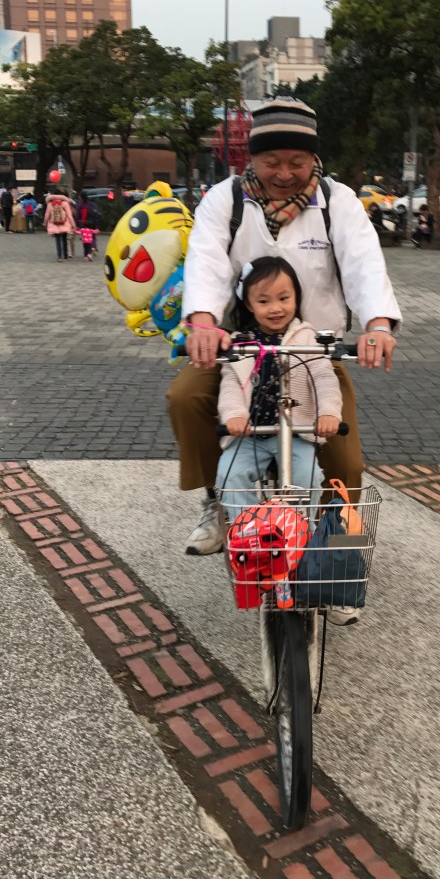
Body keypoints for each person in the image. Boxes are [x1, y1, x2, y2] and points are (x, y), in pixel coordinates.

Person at [167, 97, 401, 576]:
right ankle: (217, 499)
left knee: (345, 462)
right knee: (185, 397)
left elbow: (364, 263)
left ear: (314, 157)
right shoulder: (225, 199)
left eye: (297, 161)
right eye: (271, 161)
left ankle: (340, 565)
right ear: (251, 158)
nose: (284, 173)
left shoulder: (338, 201)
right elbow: (206, 262)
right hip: (240, 352)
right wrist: (204, 322)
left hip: (313, 352)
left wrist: (378, 325)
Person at [217, 256, 342, 523]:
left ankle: (300, 530)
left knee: (307, 476)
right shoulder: (242, 343)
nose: (275, 308)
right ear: (249, 304)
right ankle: (248, 531)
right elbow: (231, 383)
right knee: (230, 475)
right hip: (250, 434)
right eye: (264, 301)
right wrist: (234, 415)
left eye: (284, 298)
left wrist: (328, 412)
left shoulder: (307, 338)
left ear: (296, 297)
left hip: (295, 433)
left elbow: (323, 377)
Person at [43, 188, 77, 261]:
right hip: (64, 223)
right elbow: (69, 216)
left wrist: (45, 223)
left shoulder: (50, 204)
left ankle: (59, 256)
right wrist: (73, 225)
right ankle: (65, 255)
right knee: (64, 239)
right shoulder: (65, 203)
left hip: (54, 224)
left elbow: (47, 215)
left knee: (58, 240)